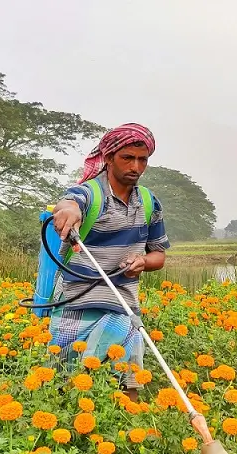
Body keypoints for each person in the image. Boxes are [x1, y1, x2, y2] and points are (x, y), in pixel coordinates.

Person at [48, 123, 170, 400]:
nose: (136, 167)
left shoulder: (150, 203)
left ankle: (128, 428)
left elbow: (159, 255)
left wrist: (143, 261)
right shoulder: (89, 194)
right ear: (108, 157)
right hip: (75, 306)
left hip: (123, 307)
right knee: (62, 386)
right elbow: (69, 202)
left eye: (142, 160)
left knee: (128, 384)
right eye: (127, 158)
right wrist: (67, 211)